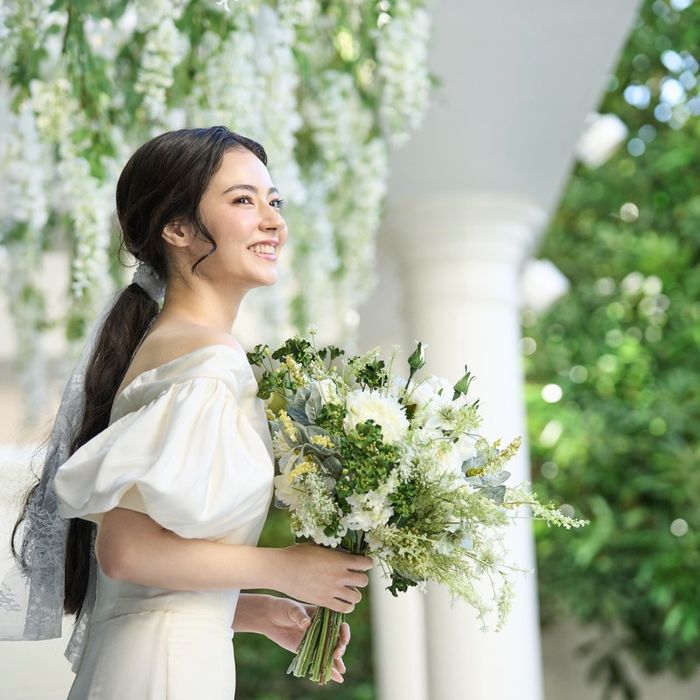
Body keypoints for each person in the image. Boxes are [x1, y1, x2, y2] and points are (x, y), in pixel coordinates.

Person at [4, 126, 372, 698]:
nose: (273, 220)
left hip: (164, 661)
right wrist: (284, 568)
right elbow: (126, 550)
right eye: (243, 200)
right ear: (177, 229)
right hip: (163, 671)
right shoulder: (206, 359)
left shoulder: (181, 348)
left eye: (274, 201)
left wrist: (249, 609)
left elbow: (146, 567)